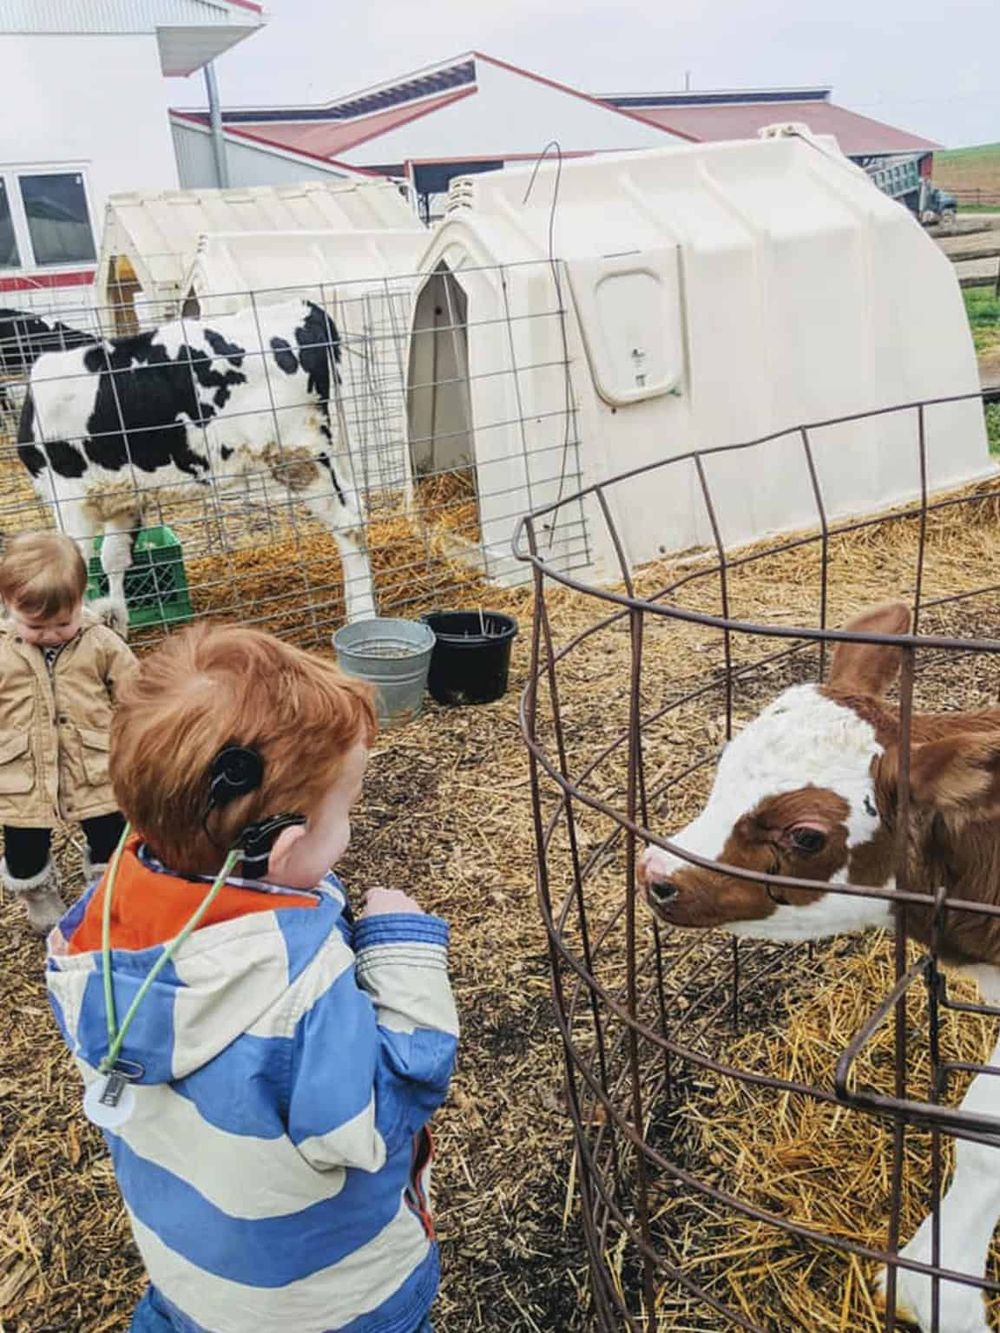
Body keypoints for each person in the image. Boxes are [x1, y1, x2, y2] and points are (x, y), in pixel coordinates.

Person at [46, 622, 458, 1333]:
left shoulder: (96, 926)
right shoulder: (297, 994)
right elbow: (375, 1119)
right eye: (347, 811)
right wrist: (401, 948)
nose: (349, 828)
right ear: (283, 847)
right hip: (328, 1300)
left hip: (191, 1277)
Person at [0, 530, 136, 932]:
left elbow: (136, 692)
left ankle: (107, 892)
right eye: (35, 626)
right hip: (21, 772)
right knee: (24, 849)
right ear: (9, 605)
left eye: (63, 622)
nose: (50, 634)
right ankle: (40, 899)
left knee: (111, 837)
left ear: (81, 598)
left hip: (94, 763)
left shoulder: (101, 643)